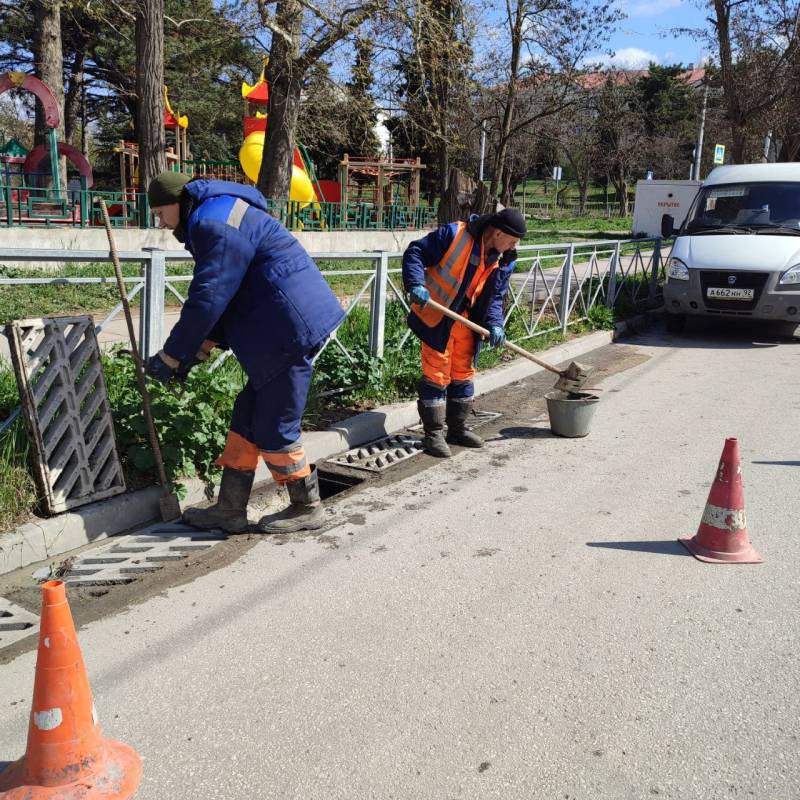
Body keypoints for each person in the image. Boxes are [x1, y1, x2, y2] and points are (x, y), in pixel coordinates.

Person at [143, 172, 345, 533]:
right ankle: (230, 509)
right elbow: (229, 292)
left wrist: (171, 356)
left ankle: (306, 506)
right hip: (278, 323)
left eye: (160, 212)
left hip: (289, 328)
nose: (160, 221)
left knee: (274, 424)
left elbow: (209, 299)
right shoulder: (217, 212)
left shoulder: (212, 224)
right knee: (248, 415)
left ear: (178, 200)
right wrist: (200, 348)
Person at [402, 208, 526, 457]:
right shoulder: (454, 235)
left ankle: (456, 429)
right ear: (498, 233)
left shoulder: (505, 258)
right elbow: (415, 253)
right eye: (512, 240)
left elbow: (495, 296)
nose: (514, 246)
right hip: (438, 315)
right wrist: (415, 283)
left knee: (463, 374)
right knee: (437, 373)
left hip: (468, 323)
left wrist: (495, 324)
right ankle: (433, 434)